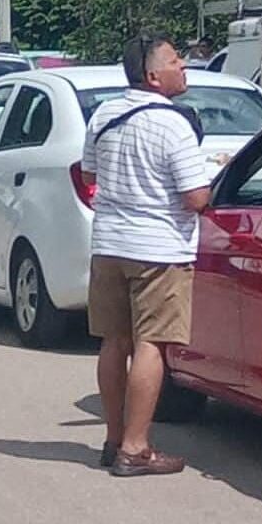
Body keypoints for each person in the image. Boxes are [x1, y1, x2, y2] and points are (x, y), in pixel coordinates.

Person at [80, 33, 211, 477]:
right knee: (151, 344)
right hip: (159, 249)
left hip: (109, 245)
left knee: (114, 342)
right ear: (154, 76)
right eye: (177, 61)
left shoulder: (104, 114)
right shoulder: (172, 124)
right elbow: (196, 198)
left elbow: (89, 172)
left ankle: (114, 439)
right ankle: (137, 449)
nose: (184, 67)